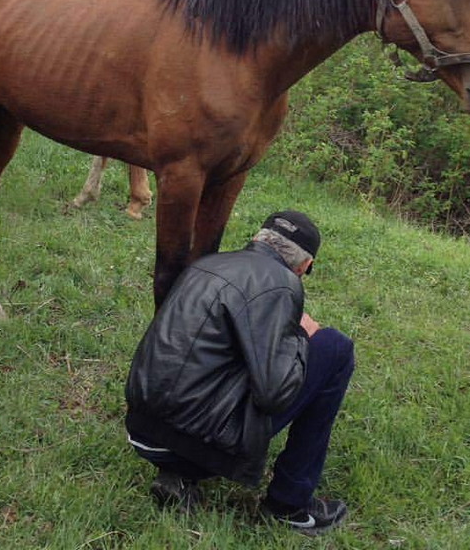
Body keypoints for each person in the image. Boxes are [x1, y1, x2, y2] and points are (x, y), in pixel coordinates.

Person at [125, 210, 354, 536]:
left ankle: (177, 476)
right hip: (192, 446)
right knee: (335, 348)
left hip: (142, 431)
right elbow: (275, 393)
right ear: (303, 267)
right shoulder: (282, 284)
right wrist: (300, 339)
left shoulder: (207, 263)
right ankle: (289, 504)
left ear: (258, 239)